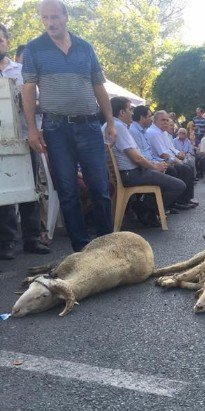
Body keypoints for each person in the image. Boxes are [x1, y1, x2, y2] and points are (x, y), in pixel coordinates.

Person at [21, 0, 114, 251]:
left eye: (54, 17)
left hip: (90, 125)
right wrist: (31, 128)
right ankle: (81, 249)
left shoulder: (85, 47)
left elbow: (99, 86)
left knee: (100, 187)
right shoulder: (33, 49)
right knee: (68, 190)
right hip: (55, 128)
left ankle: (108, 245)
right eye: (45, 18)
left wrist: (111, 123)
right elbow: (28, 90)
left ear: (65, 16)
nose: (50, 23)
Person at [0, 23, 50, 259]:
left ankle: (32, 238)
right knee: (3, 192)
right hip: (1, 144)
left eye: (0, 39)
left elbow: (41, 104)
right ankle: (6, 242)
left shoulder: (22, 70)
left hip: (25, 138)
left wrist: (26, 104)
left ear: (8, 42)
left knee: (31, 189)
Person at [104, 97, 185, 227]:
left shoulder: (112, 126)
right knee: (178, 185)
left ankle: (147, 211)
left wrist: (155, 166)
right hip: (131, 174)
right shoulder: (118, 127)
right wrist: (154, 167)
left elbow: (138, 156)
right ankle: (144, 209)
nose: (132, 112)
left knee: (169, 175)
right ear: (121, 112)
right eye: (130, 109)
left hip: (128, 172)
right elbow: (136, 158)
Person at [145, 110, 197, 209]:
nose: (166, 122)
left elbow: (169, 148)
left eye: (167, 120)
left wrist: (178, 155)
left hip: (164, 160)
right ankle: (178, 201)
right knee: (183, 169)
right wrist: (176, 160)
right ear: (155, 121)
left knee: (187, 168)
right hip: (159, 161)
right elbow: (163, 154)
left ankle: (185, 199)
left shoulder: (162, 132)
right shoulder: (154, 132)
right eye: (163, 120)